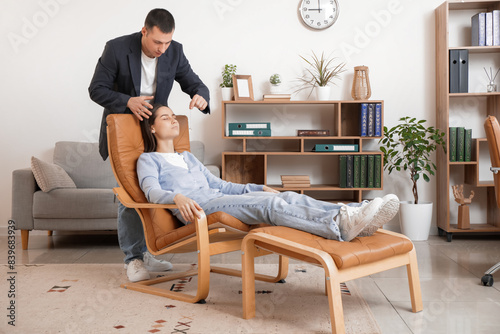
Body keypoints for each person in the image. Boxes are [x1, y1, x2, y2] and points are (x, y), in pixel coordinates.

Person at [136, 105, 400, 249]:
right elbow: (151, 192)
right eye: (165, 117)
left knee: (282, 195)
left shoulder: (188, 156)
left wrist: (259, 185)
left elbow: (220, 185)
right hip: (198, 210)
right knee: (269, 205)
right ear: (151, 127)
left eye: (174, 116)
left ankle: (354, 211)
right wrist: (177, 196)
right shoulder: (148, 159)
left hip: (218, 198)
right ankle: (339, 225)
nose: (173, 120)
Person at [88, 8, 210, 282]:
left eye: (167, 43)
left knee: (153, 190)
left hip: (152, 131)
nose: (162, 49)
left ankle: (149, 252)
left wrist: (200, 96)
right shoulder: (117, 48)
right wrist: (126, 101)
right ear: (144, 31)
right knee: (130, 193)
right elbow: (96, 89)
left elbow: (194, 82)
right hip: (123, 128)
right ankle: (133, 259)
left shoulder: (174, 51)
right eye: (157, 42)